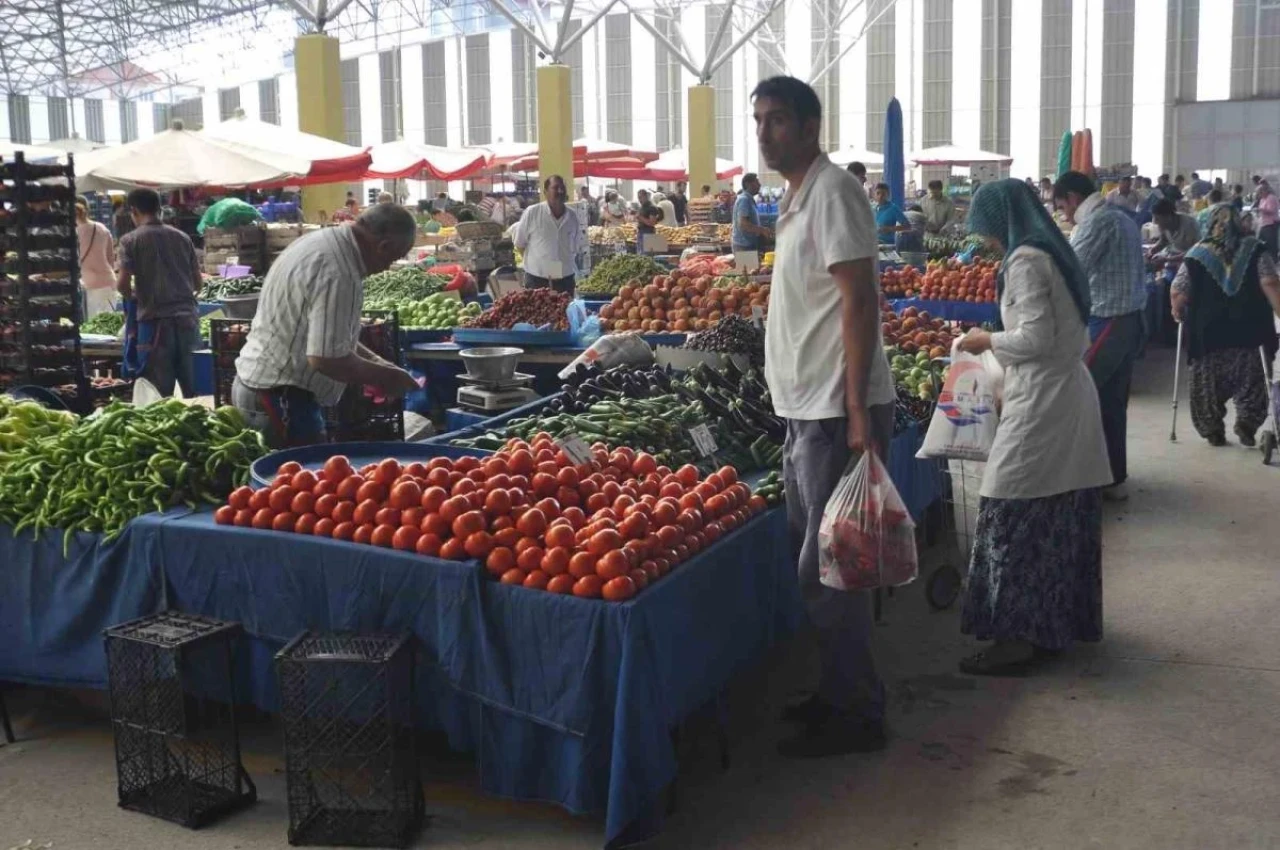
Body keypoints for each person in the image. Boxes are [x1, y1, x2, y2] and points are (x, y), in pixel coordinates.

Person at [753, 76, 895, 758]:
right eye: (759, 120)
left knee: (831, 571)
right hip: (804, 409)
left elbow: (859, 300)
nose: (764, 132)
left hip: (834, 411)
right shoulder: (795, 197)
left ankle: (859, 714)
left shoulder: (834, 190)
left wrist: (857, 408)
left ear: (811, 125)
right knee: (817, 565)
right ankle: (838, 693)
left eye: (778, 120)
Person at [954, 179, 1112, 675]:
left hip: (1045, 398)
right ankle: (1055, 623)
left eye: (987, 231)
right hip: (1063, 391)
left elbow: (1036, 336)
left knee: (1008, 506)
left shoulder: (1024, 260)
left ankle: (1018, 638)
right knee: (1056, 508)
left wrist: (986, 339)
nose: (988, 242)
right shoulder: (1049, 248)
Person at [233, 204, 420, 448]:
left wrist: (380, 363)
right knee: (295, 482)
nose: (385, 268)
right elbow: (326, 358)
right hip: (279, 398)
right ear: (383, 246)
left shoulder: (320, 242)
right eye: (392, 259)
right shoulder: (340, 271)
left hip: (259, 388)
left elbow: (329, 338)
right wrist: (387, 377)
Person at [1054, 170, 1147, 501]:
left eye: (1063, 207)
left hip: (1108, 320)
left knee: (1074, 395)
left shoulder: (1096, 222)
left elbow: (1071, 271)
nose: (1064, 215)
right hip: (1130, 320)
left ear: (1074, 199)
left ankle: (1075, 483)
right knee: (1110, 402)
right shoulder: (1120, 217)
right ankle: (1112, 478)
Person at [1171, 203, 1280, 446]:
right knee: (1253, 379)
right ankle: (1247, 423)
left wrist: (1176, 310)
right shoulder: (1256, 249)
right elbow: (1270, 282)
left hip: (1208, 334)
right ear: (1239, 223)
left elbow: (1179, 290)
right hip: (1249, 331)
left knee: (1206, 383)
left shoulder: (1197, 253)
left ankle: (1212, 429)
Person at [115, 188, 203, 398]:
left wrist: (134, 295)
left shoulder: (130, 241)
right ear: (159, 209)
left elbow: (122, 285)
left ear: (134, 211)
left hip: (154, 325)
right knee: (196, 392)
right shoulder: (182, 237)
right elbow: (198, 283)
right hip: (187, 322)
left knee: (157, 395)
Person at [514, 175, 582, 295]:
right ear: (545, 192)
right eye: (555, 188)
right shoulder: (532, 213)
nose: (560, 191)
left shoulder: (572, 217)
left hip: (565, 281)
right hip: (537, 281)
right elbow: (520, 244)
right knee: (537, 313)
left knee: (564, 312)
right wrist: (537, 265)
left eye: (562, 187)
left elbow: (575, 247)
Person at [76, 200, 117, 318]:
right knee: (109, 325)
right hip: (108, 282)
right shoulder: (102, 228)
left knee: (92, 329)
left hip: (87, 285)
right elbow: (111, 258)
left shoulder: (73, 233)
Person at [731, 173, 771, 251]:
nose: (759, 185)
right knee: (747, 264)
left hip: (749, 244)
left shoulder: (749, 199)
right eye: (757, 182)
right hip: (743, 245)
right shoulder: (744, 200)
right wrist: (762, 230)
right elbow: (743, 224)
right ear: (748, 184)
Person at [1253, 182, 1278, 257]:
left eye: (1259, 193)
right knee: (1261, 242)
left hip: (1270, 224)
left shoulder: (1271, 198)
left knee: (1271, 244)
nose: (1258, 195)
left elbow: (1272, 210)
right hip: (1263, 224)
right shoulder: (1262, 199)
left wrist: (1260, 209)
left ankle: (1274, 260)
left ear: (1264, 191)